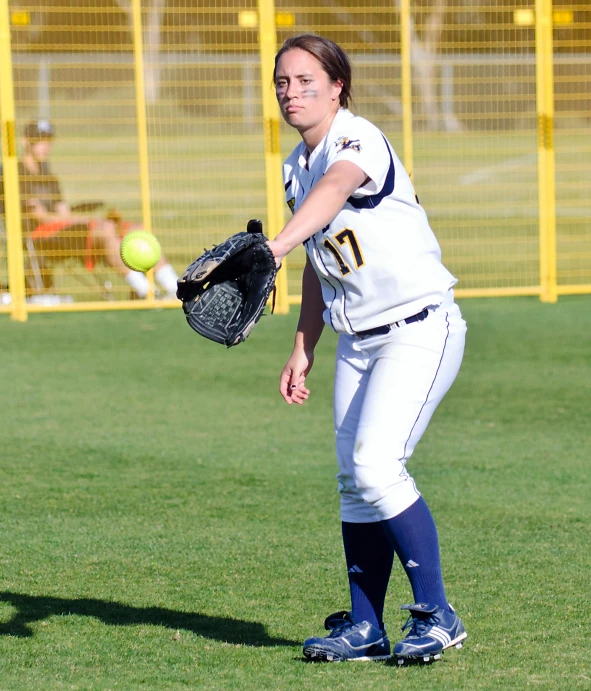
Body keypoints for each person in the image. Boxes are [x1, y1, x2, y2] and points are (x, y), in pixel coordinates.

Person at [266, 35, 468, 665]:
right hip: (356, 341)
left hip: (417, 327)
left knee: (379, 465)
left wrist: (272, 244)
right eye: (282, 82)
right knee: (355, 482)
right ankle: (365, 626)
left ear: (337, 87)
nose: (291, 92)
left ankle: (439, 616)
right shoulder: (294, 167)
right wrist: (303, 344)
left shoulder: (357, 140)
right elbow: (317, 262)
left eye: (305, 80)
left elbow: (336, 191)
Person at [18, 119, 178, 299]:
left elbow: (64, 213)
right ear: (26, 142)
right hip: (40, 237)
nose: (45, 146)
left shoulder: (49, 177)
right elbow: (42, 218)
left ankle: (174, 287)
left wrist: (89, 221)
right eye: (39, 141)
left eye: (48, 141)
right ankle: (147, 292)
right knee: (106, 229)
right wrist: (88, 221)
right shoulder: (17, 173)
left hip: (64, 231)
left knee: (135, 229)